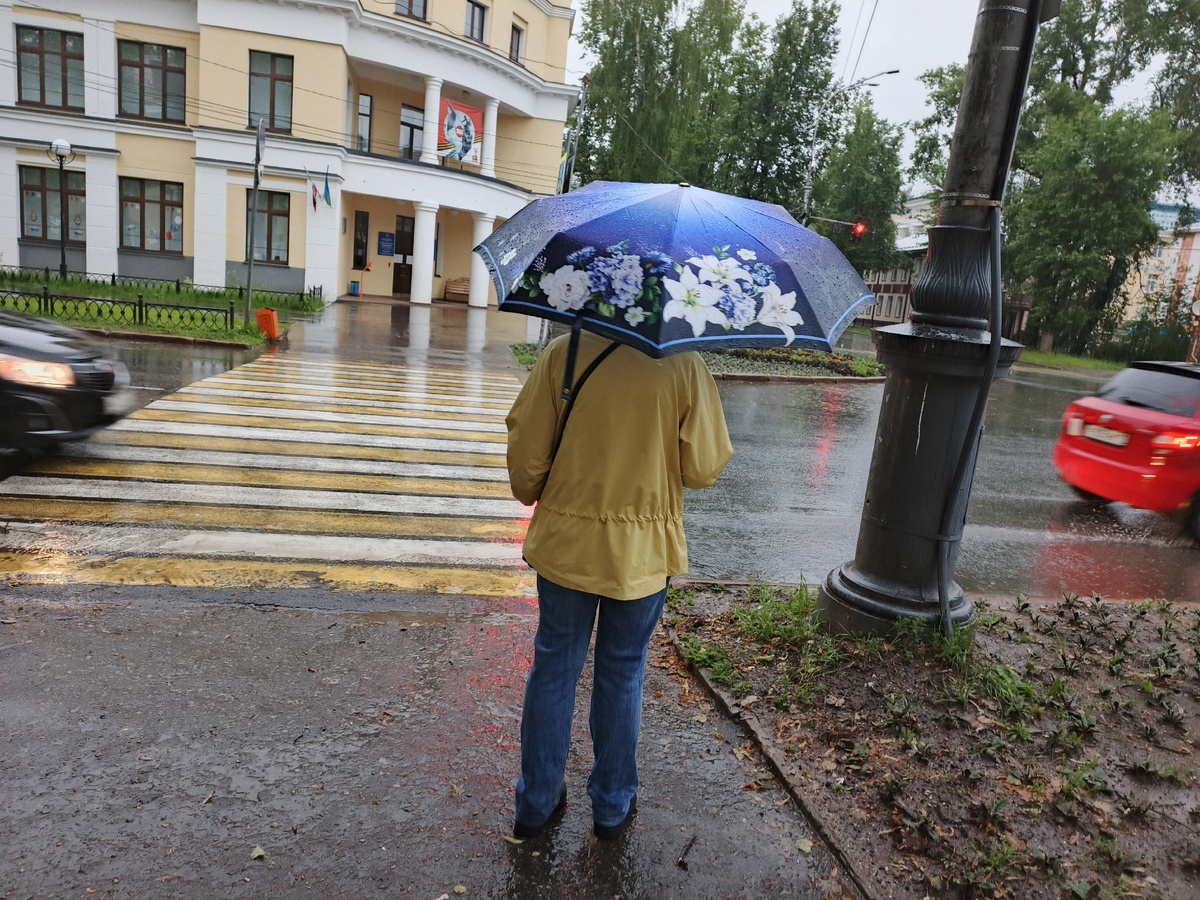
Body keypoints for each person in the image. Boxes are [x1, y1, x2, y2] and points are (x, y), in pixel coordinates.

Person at [505, 329, 733, 840]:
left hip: (567, 544)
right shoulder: (683, 364)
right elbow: (702, 467)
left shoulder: (564, 355)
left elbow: (525, 468)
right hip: (643, 552)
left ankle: (536, 803)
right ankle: (611, 806)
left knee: (554, 667)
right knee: (623, 672)